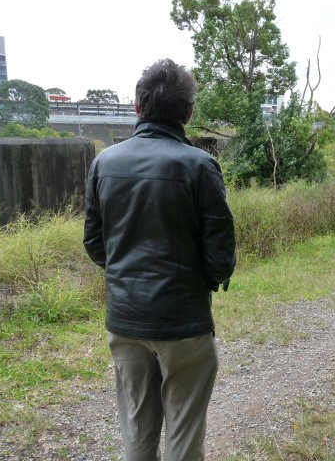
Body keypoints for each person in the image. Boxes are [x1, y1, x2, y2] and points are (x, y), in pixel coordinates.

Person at [83, 58, 236, 461]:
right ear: (188, 112)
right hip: (184, 323)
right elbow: (220, 251)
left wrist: (125, 275)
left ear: (137, 106)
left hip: (125, 319)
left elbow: (94, 242)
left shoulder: (104, 163)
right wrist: (202, 281)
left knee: (136, 426)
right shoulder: (201, 166)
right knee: (184, 434)